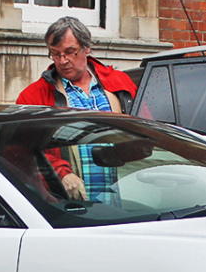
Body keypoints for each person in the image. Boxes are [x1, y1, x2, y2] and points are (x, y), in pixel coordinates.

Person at [17, 17, 138, 201]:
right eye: (55, 54)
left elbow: (147, 134)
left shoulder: (121, 83)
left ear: (87, 48)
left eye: (70, 52)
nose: (62, 60)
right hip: (68, 207)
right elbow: (20, 152)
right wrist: (60, 174)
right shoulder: (33, 97)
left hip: (124, 202)